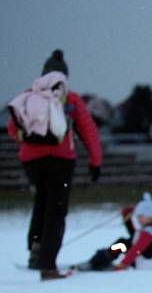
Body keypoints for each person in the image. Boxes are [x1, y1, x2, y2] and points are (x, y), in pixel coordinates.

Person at [7, 49, 103, 280]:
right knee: (56, 212)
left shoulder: (29, 96)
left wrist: (33, 143)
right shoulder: (70, 99)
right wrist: (95, 161)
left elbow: (13, 129)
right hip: (61, 161)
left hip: (31, 161)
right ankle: (48, 265)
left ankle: (36, 250)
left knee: (41, 203)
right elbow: (88, 131)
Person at [72, 192, 152, 272]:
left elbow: (136, 248)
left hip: (147, 266)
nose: (139, 219)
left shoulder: (149, 232)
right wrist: (127, 215)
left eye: (141, 216)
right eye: (138, 216)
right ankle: (103, 258)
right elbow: (134, 238)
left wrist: (123, 264)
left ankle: (98, 261)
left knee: (122, 244)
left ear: (150, 216)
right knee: (125, 242)